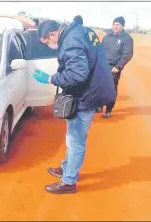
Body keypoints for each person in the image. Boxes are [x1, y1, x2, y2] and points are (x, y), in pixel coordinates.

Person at [33, 20, 115, 194]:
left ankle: (69, 181)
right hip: (93, 89)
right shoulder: (81, 31)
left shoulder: (71, 42)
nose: (49, 46)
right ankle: (67, 168)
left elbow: (78, 74)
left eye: (47, 42)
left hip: (87, 96)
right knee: (72, 136)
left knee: (76, 139)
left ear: (53, 34)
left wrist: (51, 79)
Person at [100, 16, 134, 118]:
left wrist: (118, 66)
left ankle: (108, 109)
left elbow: (127, 54)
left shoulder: (127, 38)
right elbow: (100, 50)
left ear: (122, 26)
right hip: (103, 66)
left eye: (118, 25)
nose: (115, 27)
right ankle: (100, 105)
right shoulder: (107, 37)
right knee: (99, 86)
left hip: (114, 67)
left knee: (111, 88)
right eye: (114, 24)